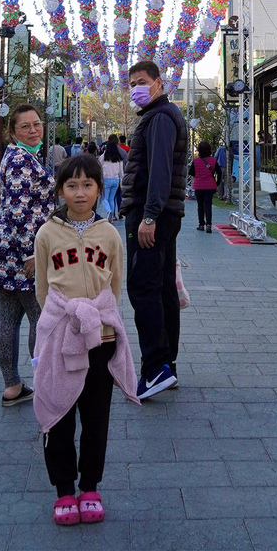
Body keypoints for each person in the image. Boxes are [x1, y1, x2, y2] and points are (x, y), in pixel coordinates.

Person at [33, 155, 138, 526]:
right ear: (60, 189)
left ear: (99, 188)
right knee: (57, 412)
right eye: (72, 186)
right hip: (61, 336)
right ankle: (64, 489)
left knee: (96, 417)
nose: (80, 193)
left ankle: (90, 486)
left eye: (88, 185)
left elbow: (115, 284)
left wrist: (96, 320)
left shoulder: (109, 233)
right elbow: (42, 289)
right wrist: (65, 322)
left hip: (101, 337)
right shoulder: (46, 233)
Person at [121, 60, 187, 400]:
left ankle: (156, 367)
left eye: (142, 81)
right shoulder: (159, 115)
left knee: (142, 286)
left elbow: (159, 171)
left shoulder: (160, 118)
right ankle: (167, 364)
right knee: (162, 288)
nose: (136, 87)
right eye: (132, 82)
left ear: (158, 83)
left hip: (152, 217)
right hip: (163, 214)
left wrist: (149, 216)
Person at [0, 103, 53, 406]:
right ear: (13, 131)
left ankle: (13, 385)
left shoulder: (17, 156)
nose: (34, 130)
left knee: (9, 316)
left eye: (36, 124)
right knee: (39, 315)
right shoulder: (22, 160)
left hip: (6, 249)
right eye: (25, 126)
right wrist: (30, 254)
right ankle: (43, 381)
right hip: (22, 252)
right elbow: (21, 211)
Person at [189, 141, 222, 233]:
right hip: (210, 186)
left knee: (200, 205)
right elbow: (219, 172)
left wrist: (199, 175)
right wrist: (217, 183)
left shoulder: (196, 161)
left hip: (198, 185)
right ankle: (209, 225)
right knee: (208, 205)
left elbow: (191, 172)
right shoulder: (213, 160)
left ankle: (201, 224)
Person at [98, 138, 124, 223]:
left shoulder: (103, 157)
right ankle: (111, 217)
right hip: (116, 179)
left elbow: (99, 168)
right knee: (111, 199)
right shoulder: (119, 158)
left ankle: (108, 211)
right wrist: (121, 183)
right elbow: (121, 172)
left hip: (106, 179)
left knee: (104, 198)